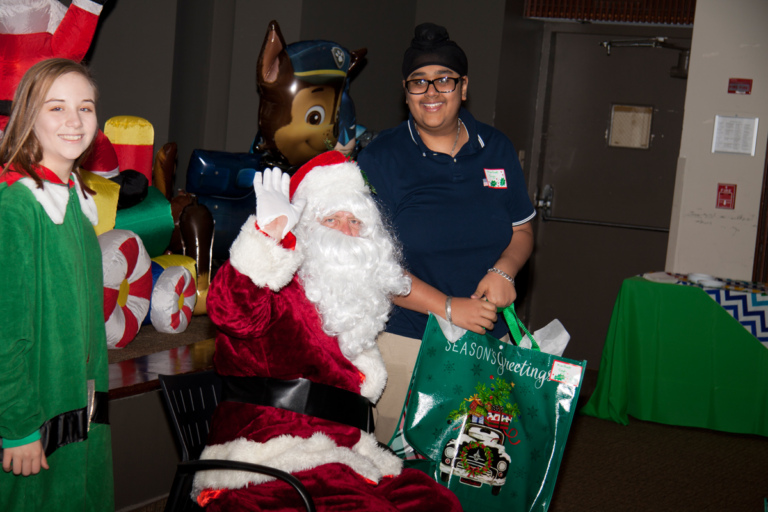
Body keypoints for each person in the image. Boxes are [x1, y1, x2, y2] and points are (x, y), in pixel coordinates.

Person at [192, 151, 462, 511]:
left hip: (346, 455)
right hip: (266, 461)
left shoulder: (352, 309)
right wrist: (267, 235)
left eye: (355, 221)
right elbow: (230, 309)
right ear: (304, 229)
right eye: (331, 218)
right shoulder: (276, 285)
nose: (346, 232)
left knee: (437, 502)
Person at [357, 22, 536, 444]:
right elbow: (370, 264)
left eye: (444, 80)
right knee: (402, 476)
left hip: (490, 345)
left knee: (479, 470)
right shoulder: (382, 157)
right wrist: (450, 308)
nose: (432, 92)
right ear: (405, 92)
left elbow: (523, 228)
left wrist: (506, 271)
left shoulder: (496, 148)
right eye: (419, 82)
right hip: (408, 344)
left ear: (463, 87)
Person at [0, 58, 114, 510]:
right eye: (56, 108)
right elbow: (6, 333)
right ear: (29, 117)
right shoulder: (18, 207)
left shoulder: (77, 201)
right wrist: (19, 426)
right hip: (33, 428)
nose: (74, 121)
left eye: (85, 108)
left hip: (80, 419)